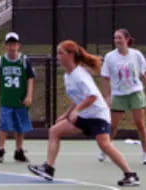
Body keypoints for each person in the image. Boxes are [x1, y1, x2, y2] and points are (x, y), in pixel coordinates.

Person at [28, 40, 140, 187]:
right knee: (54, 131)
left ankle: (130, 175)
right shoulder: (68, 75)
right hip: (85, 115)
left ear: (71, 55)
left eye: (61, 53)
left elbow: (92, 96)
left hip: (98, 115)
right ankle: (48, 168)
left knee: (105, 145)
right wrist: (67, 113)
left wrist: (77, 111)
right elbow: (77, 97)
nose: (58, 57)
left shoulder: (79, 75)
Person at [99, 29, 146, 165]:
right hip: (118, 95)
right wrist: (107, 96)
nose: (117, 41)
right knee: (113, 126)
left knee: (140, 124)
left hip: (135, 92)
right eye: (115, 38)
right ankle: (105, 149)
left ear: (127, 39)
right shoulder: (110, 57)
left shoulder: (136, 55)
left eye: (119, 38)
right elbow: (105, 77)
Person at [0, 32, 34, 163]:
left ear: (18, 45)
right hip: (6, 100)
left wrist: (29, 95)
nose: (12, 47)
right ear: (6, 46)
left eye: (14, 44)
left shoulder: (24, 60)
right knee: (4, 126)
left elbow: (30, 78)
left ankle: (19, 150)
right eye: (9, 44)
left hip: (20, 100)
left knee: (20, 126)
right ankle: (0, 149)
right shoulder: (1, 60)